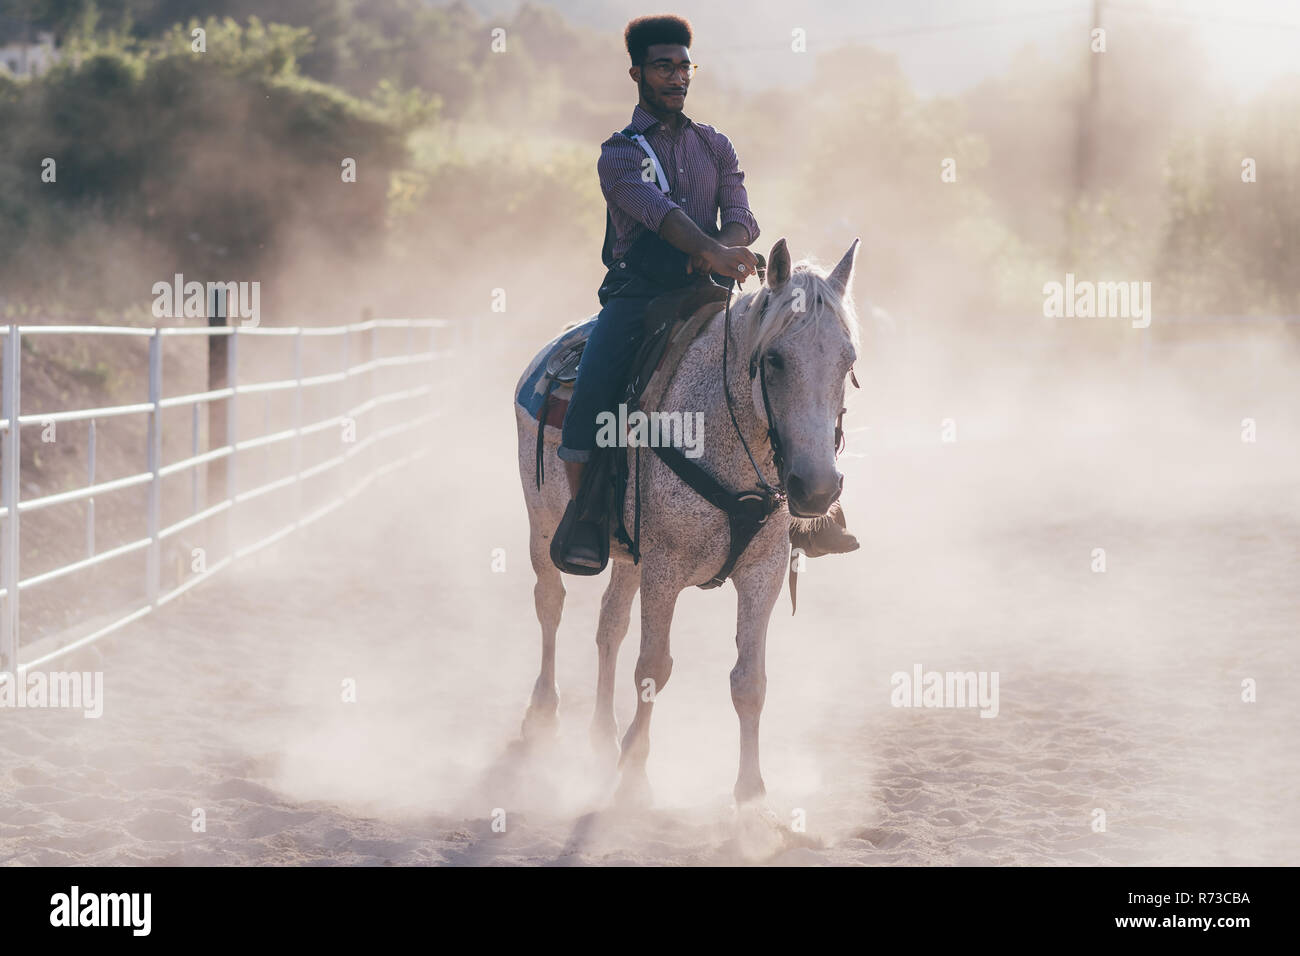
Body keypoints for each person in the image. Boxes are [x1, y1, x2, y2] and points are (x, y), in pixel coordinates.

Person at [555, 14, 857, 570]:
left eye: (683, 66)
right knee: (591, 409)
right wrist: (713, 251)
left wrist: (722, 248)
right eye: (663, 66)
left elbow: (743, 215)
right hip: (637, 300)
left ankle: (812, 514)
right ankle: (589, 519)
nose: (676, 77)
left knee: (796, 364)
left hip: (710, 296)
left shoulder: (714, 145)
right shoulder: (619, 153)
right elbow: (659, 214)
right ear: (637, 73)